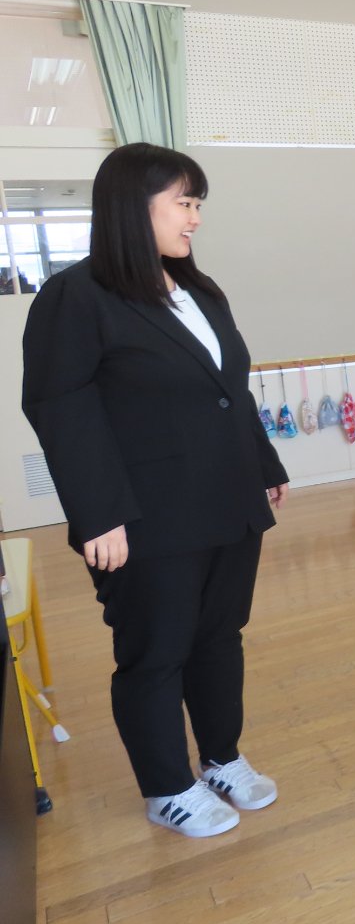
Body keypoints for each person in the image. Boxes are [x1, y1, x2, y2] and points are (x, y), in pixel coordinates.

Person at [20, 142, 289, 838]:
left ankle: (221, 758)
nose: (195, 218)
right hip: (146, 518)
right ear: (130, 207)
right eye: (184, 203)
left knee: (219, 638)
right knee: (156, 652)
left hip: (227, 501)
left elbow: (229, 389)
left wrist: (264, 466)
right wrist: (98, 515)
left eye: (198, 204)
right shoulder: (77, 297)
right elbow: (61, 410)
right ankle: (167, 786)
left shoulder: (200, 290)